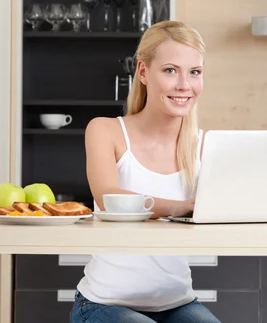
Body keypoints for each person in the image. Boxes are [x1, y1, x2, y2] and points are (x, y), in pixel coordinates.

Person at [70, 20, 221, 323]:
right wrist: (178, 208)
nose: (184, 85)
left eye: (194, 72)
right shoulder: (106, 130)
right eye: (170, 70)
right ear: (143, 73)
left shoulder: (204, 144)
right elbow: (109, 197)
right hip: (104, 303)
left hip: (178, 302)